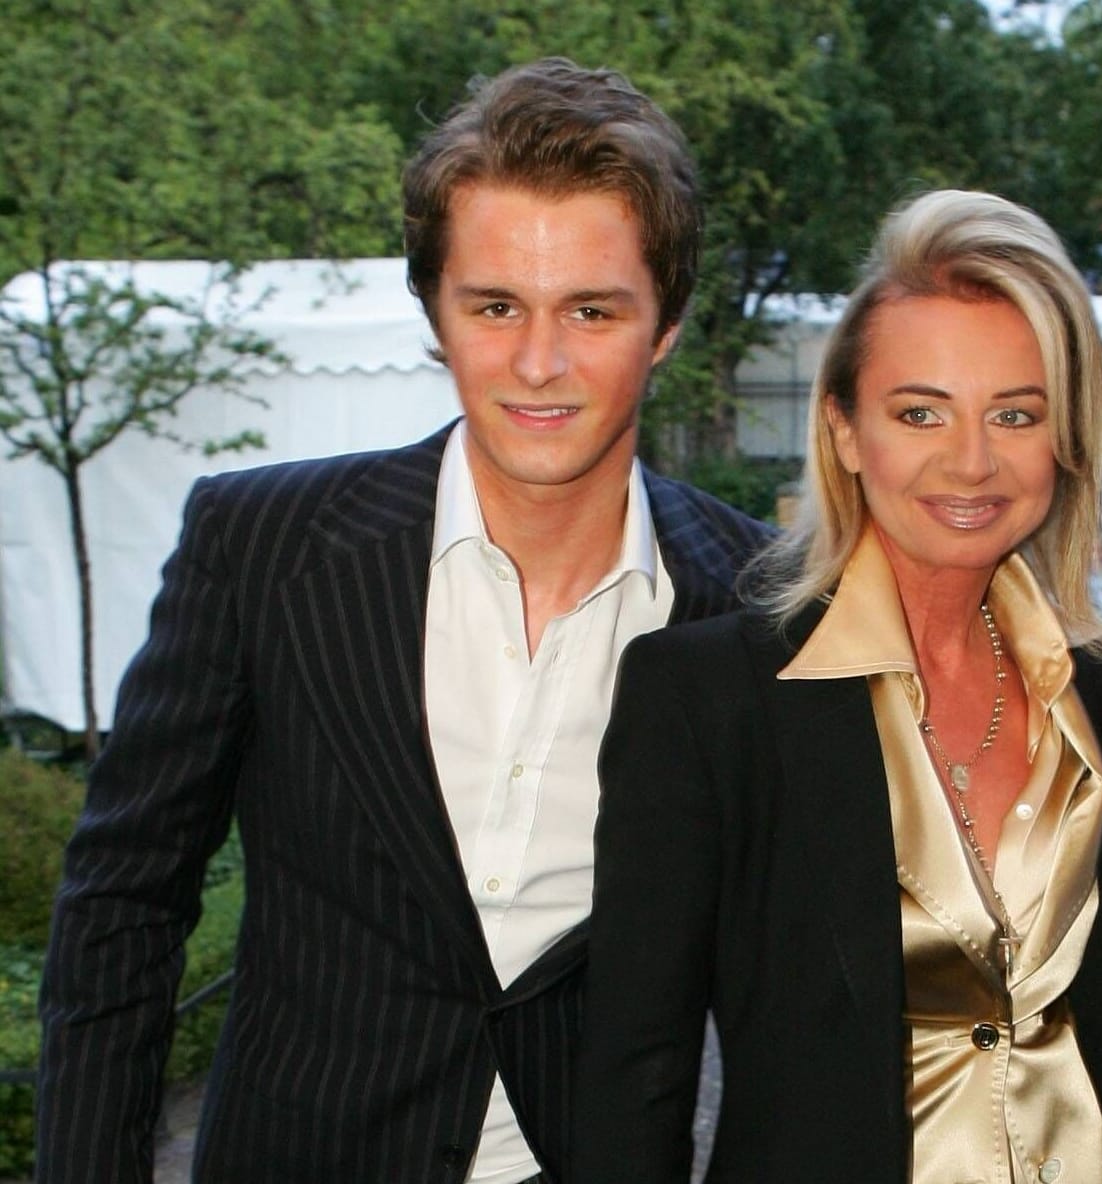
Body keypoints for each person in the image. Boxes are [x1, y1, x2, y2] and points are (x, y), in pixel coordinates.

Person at [36, 58, 770, 1184]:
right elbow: (123, 902)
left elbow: (794, 977)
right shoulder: (265, 545)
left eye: (591, 308)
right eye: (495, 306)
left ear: (664, 324)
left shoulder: (753, 595)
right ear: (434, 312)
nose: (539, 361)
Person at [571, 190, 1102, 1183]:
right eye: (919, 410)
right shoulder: (708, 697)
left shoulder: (1090, 683)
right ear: (843, 427)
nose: (971, 460)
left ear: (1066, 438)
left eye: (1016, 412)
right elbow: (635, 1068)